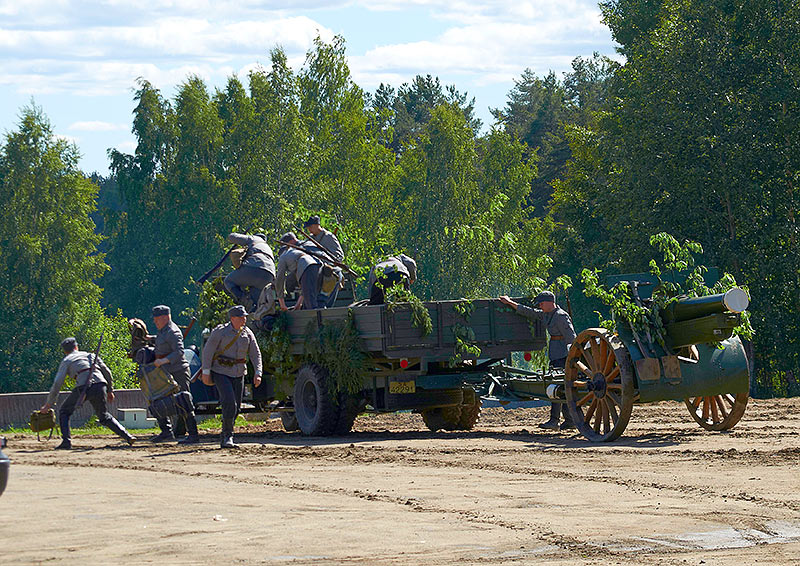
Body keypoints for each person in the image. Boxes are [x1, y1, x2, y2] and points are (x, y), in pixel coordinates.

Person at [498, 291, 577, 430]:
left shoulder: (560, 316)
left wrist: (572, 358)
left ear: (549, 302)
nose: (540, 306)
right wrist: (510, 302)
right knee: (560, 387)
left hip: (564, 356)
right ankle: (567, 420)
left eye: (541, 303)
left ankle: (557, 420)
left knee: (558, 387)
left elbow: (571, 337)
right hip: (556, 354)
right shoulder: (547, 314)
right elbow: (530, 312)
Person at [39, 337, 135, 450]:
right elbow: (107, 372)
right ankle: (127, 436)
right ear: (76, 347)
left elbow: (57, 383)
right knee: (104, 416)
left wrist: (48, 404)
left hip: (83, 387)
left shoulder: (67, 360)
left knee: (64, 412)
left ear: (65, 351)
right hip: (100, 384)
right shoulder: (91, 356)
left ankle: (66, 441)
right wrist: (110, 390)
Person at [201, 305, 263, 448]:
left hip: (239, 372)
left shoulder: (247, 333)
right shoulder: (220, 332)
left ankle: (225, 434)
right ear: (232, 318)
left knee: (236, 408)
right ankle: (229, 436)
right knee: (229, 402)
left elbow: (255, 353)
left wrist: (258, 373)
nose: (244, 319)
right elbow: (208, 351)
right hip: (221, 371)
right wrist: (206, 372)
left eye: (245, 317)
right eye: (241, 317)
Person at [151, 305, 199, 443]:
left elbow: (179, 352)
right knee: (158, 399)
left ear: (166, 318)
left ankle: (193, 434)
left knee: (185, 401)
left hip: (178, 371)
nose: (155, 322)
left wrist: (163, 361)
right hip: (167, 372)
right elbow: (162, 341)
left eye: (157, 319)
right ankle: (167, 432)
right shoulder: (163, 330)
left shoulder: (173, 331)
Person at [223, 232, 276, 311]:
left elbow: (232, 237)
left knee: (228, 281)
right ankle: (255, 315)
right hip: (269, 275)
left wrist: (242, 239)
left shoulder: (254, 239)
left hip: (254, 267)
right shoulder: (267, 248)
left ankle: (244, 300)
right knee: (256, 303)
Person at [275, 232, 323, 310]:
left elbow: (279, 280)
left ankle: (315, 320)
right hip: (318, 265)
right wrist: (298, 304)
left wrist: (282, 304)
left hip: (308, 266)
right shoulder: (295, 253)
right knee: (311, 297)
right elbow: (305, 290)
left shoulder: (283, 257)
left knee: (310, 303)